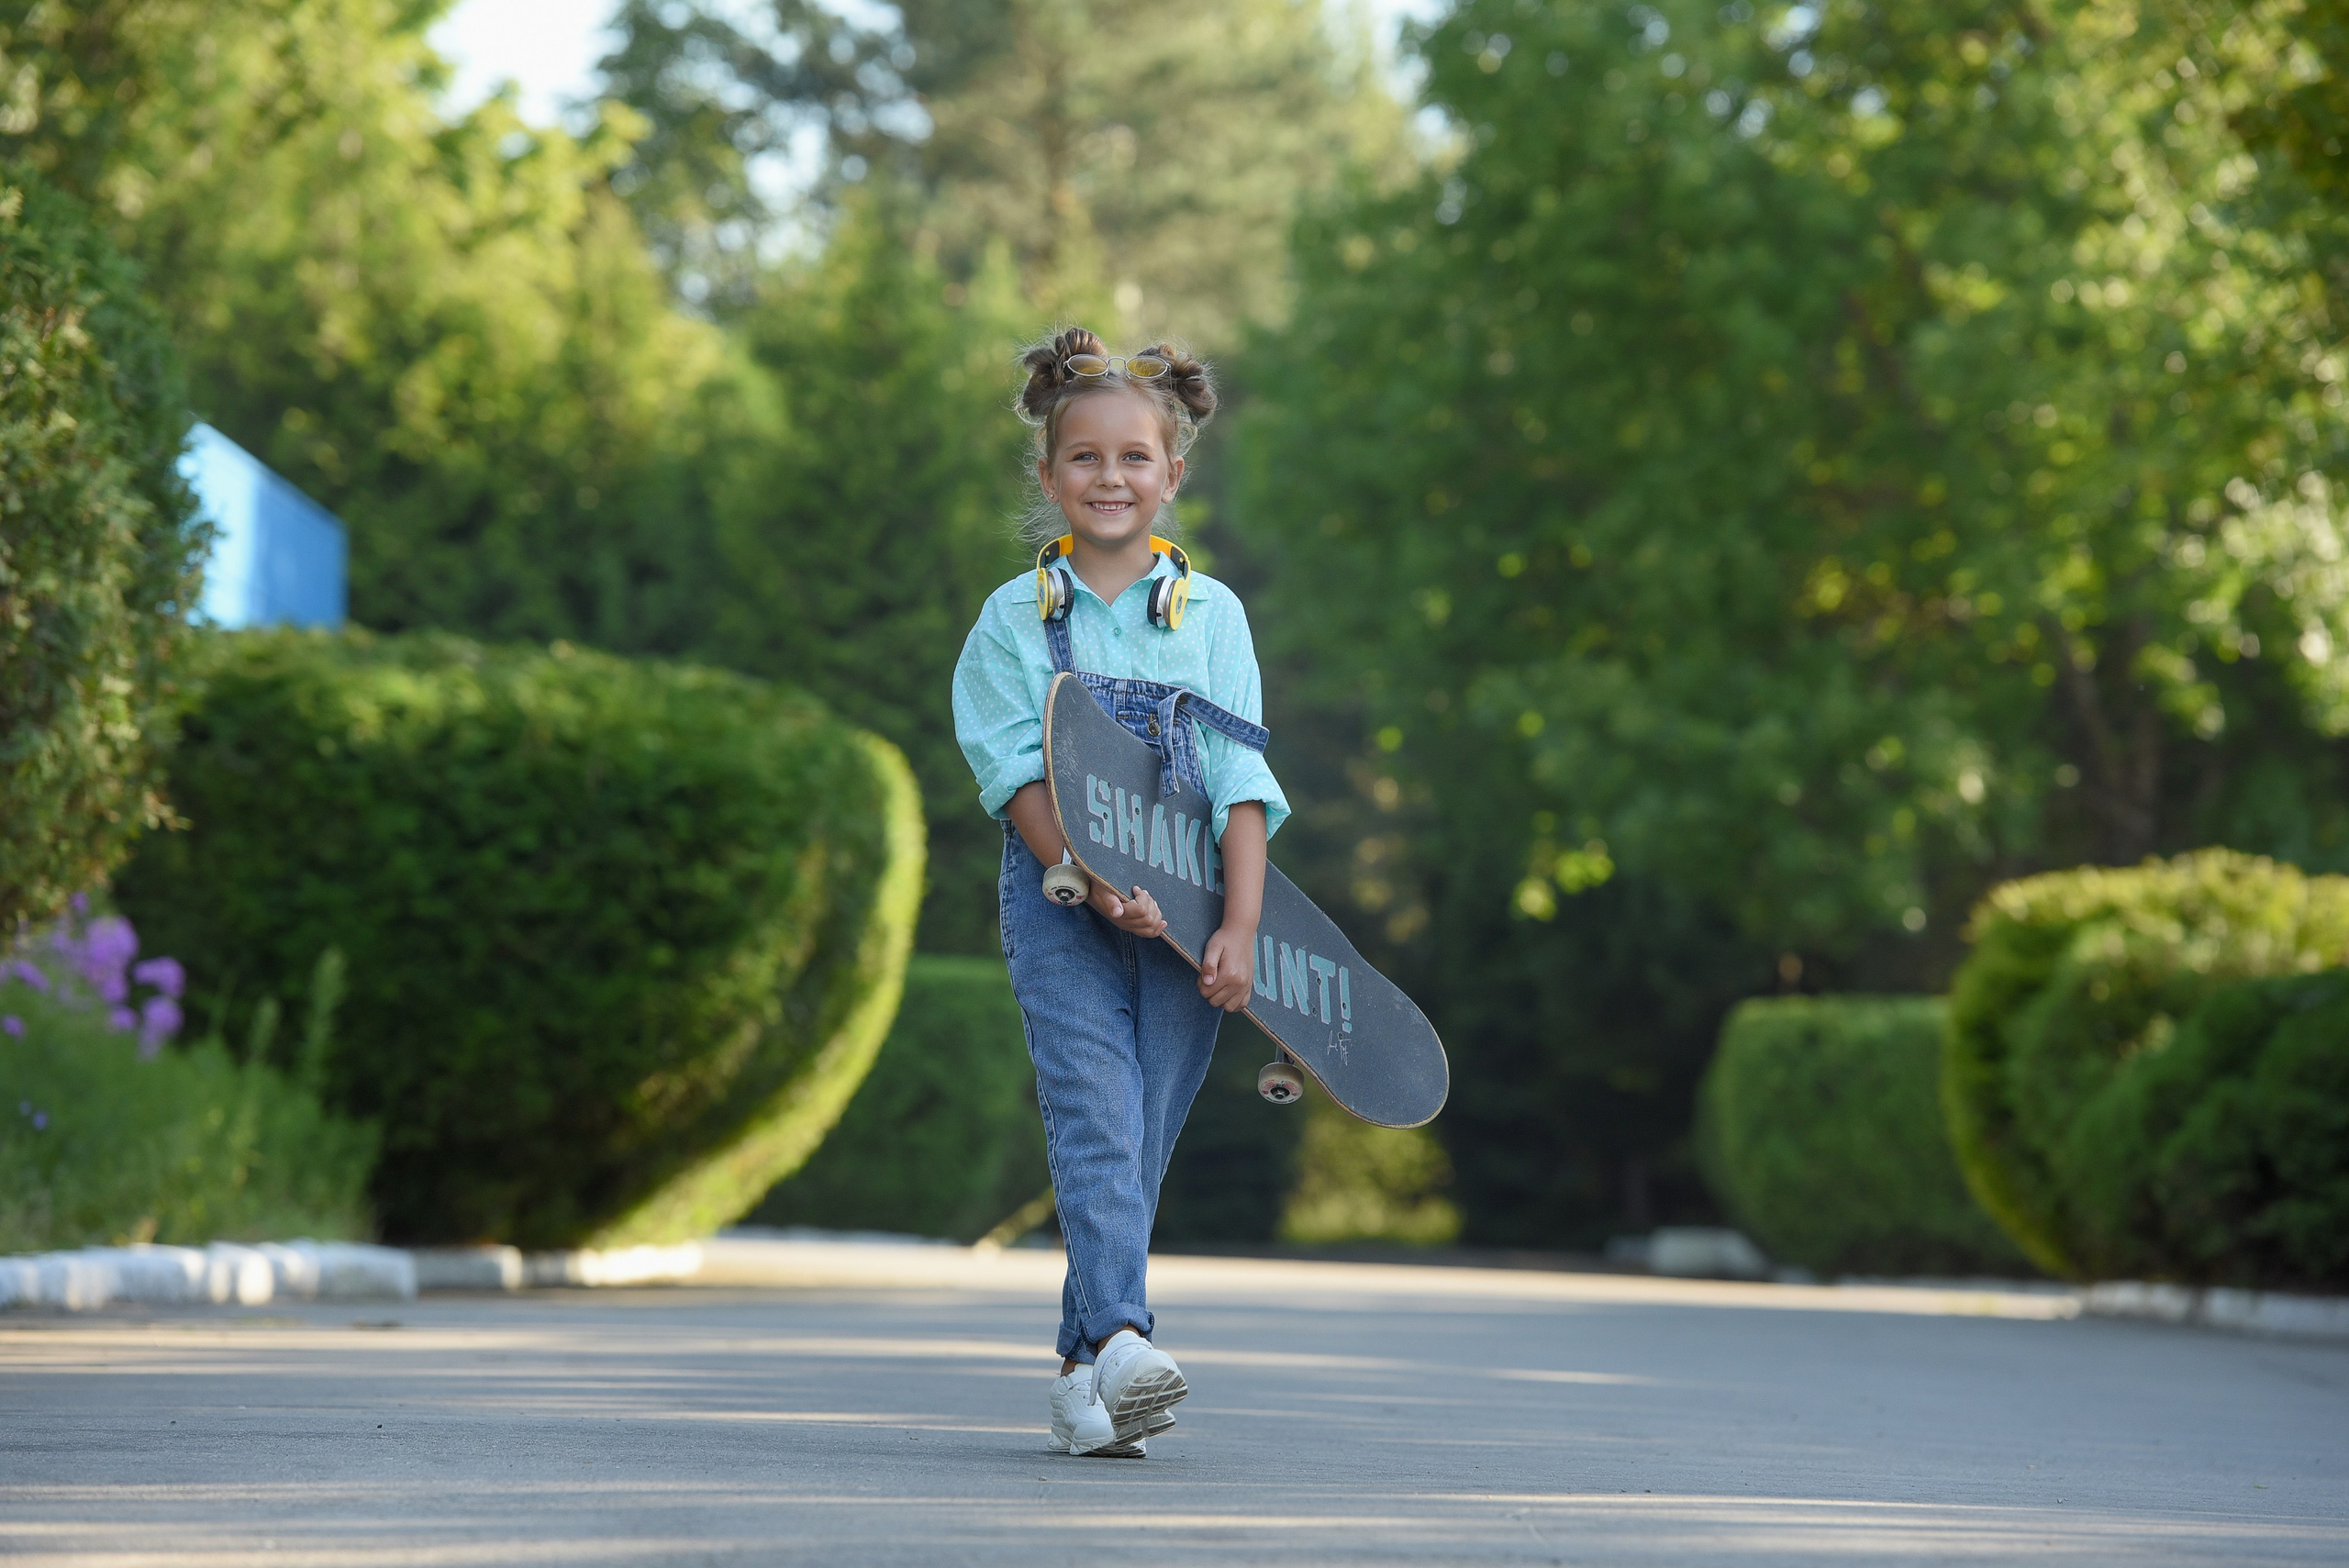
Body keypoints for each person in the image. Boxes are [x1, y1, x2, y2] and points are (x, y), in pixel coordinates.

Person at [952, 327, 1288, 1458]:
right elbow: (1012, 773)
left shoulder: (1214, 617)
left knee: (1135, 1140)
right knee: (1096, 1116)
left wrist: (1237, 926)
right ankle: (1129, 1335)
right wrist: (1095, 884)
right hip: (1060, 904)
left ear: (1172, 475)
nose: (1110, 478)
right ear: (1050, 478)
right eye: (1085, 459)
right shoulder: (1015, 618)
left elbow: (1240, 782)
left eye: (1134, 458)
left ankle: (1077, 1374)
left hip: (1188, 911)